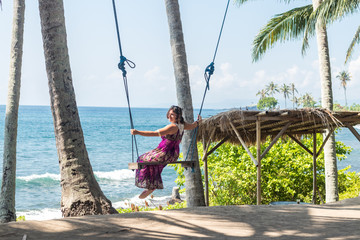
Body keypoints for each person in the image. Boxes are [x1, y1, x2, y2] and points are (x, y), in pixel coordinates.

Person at [130, 105, 201, 199]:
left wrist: (137, 132)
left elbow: (154, 133)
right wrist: (198, 121)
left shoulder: (172, 127)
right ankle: (151, 185)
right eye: (170, 114)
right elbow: (193, 126)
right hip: (173, 153)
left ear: (178, 116)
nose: (170, 116)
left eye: (173, 115)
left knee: (143, 159)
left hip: (165, 152)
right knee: (147, 160)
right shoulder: (183, 125)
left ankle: (152, 186)